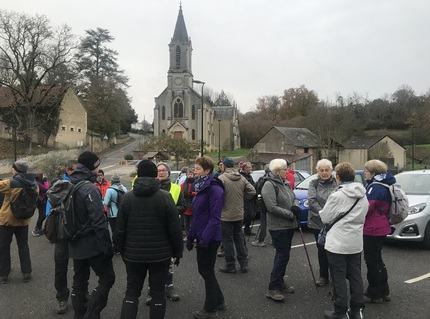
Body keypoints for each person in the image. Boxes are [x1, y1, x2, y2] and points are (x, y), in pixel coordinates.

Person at [117, 160, 183, 319]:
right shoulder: (165, 197)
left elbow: (120, 229)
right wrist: (178, 251)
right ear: (155, 175)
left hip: (133, 254)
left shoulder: (127, 198)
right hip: (160, 255)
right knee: (158, 292)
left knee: (132, 292)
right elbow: (175, 229)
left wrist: (120, 249)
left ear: (138, 175)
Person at [69, 151, 115, 319]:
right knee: (107, 277)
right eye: (97, 165)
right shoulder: (89, 188)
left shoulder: (70, 184)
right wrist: (107, 248)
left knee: (79, 281)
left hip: (73, 241)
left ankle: (79, 314)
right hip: (91, 243)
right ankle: (91, 314)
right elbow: (99, 222)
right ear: (93, 167)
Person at [320, 162, 369, 319]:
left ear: (338, 177)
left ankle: (340, 311)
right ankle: (357, 310)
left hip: (337, 243)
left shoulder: (337, 196)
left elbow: (325, 217)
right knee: (355, 275)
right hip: (355, 242)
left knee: (339, 276)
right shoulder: (362, 195)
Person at [186, 156, 225, 319]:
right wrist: (190, 236)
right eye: (194, 168)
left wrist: (204, 239)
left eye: (198, 169)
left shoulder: (215, 189)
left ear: (207, 171)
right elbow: (198, 216)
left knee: (206, 271)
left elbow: (215, 217)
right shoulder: (200, 187)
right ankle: (219, 300)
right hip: (201, 236)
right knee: (206, 270)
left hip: (210, 238)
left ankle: (210, 309)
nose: (194, 171)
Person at [145, 162, 186, 304]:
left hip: (170, 229)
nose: (161, 172)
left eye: (164, 170)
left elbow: (183, 205)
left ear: (168, 172)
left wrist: (171, 211)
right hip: (154, 229)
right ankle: (152, 289)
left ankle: (169, 286)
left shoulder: (175, 188)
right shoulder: (150, 188)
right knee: (152, 261)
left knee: (168, 261)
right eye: (159, 170)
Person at [262, 159, 300, 302]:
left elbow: (294, 198)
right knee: (282, 255)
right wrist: (290, 214)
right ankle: (273, 287)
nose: (288, 171)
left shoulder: (285, 183)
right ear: (277, 171)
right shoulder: (269, 185)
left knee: (285, 255)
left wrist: (295, 206)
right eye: (285, 169)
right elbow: (272, 207)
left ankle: (279, 282)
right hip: (278, 226)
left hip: (288, 225)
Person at [46, 159, 77, 314]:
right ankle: (62, 298)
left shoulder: (81, 185)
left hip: (76, 233)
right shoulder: (61, 185)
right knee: (61, 267)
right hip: (62, 233)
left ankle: (79, 294)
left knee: (80, 266)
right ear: (68, 171)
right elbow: (48, 207)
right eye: (75, 170)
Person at [0, 160, 37, 284]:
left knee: (4, 246)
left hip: (8, 220)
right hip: (23, 219)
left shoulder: (11, 182)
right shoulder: (33, 183)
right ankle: (27, 272)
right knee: (23, 245)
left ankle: (4, 274)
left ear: (15, 169)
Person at [218, 157, 256, 274]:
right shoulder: (242, 178)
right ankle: (244, 264)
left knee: (228, 240)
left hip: (225, 214)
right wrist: (242, 199)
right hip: (239, 213)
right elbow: (252, 191)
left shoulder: (221, 178)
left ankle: (230, 265)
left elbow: (217, 196)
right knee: (239, 237)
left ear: (224, 166)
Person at [363, 159, 393, 303]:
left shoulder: (375, 187)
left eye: (367, 171)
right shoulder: (385, 184)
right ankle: (384, 290)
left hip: (372, 228)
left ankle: (374, 292)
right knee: (378, 259)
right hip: (382, 226)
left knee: (372, 261)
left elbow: (367, 207)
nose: (365, 174)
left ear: (373, 173)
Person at [307, 159, 337, 287]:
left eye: (327, 170)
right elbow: (312, 201)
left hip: (335, 222)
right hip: (317, 222)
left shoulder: (336, 182)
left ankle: (336, 276)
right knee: (322, 250)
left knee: (335, 249)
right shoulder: (313, 183)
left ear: (331, 170)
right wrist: (325, 214)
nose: (324, 173)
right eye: (321, 170)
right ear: (317, 171)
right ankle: (323, 275)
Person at [103, 174, 127, 252]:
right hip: (122, 213)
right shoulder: (124, 188)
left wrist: (101, 201)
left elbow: (106, 203)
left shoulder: (110, 190)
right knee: (121, 229)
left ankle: (116, 248)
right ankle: (123, 245)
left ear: (112, 181)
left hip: (113, 213)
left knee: (114, 231)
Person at [251, 164, 270, 247]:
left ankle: (261, 239)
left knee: (263, 222)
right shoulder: (275, 179)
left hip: (264, 203)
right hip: (272, 203)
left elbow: (256, 189)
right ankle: (274, 239)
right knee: (272, 221)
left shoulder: (262, 179)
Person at [239, 162, 256, 236]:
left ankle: (247, 229)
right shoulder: (242, 177)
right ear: (245, 168)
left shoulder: (249, 176)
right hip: (245, 198)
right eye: (249, 167)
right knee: (247, 215)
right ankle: (239, 229)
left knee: (251, 214)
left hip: (251, 198)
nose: (251, 169)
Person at [32, 172, 49, 237]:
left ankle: (39, 229)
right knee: (43, 215)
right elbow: (46, 189)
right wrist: (45, 181)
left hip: (40, 201)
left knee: (41, 215)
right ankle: (36, 228)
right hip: (41, 201)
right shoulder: (38, 183)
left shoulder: (37, 182)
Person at [180, 168, 195, 240]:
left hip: (193, 205)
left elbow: (199, 192)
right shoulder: (182, 185)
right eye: (188, 174)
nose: (189, 176)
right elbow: (180, 193)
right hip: (186, 205)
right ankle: (187, 235)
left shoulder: (196, 183)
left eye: (191, 174)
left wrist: (192, 193)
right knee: (186, 222)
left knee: (193, 222)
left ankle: (193, 235)